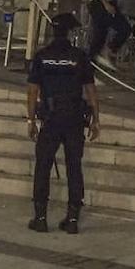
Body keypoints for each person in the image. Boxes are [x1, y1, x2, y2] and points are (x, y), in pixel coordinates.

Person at [26, 12, 100, 234]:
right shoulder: (80, 56)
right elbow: (90, 89)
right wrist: (97, 119)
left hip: (50, 118)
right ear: (70, 33)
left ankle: (40, 218)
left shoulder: (42, 56)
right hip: (74, 119)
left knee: (43, 166)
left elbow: (32, 91)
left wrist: (31, 120)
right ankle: (73, 219)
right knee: (74, 167)